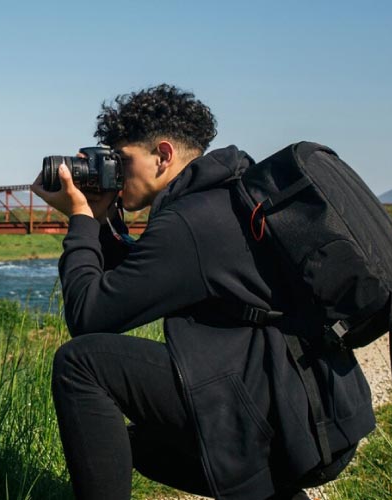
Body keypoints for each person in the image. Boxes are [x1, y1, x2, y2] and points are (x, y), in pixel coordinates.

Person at [31, 84, 374, 500]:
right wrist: (102, 221)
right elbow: (139, 281)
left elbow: (89, 317)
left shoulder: (190, 223)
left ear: (163, 154)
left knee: (81, 364)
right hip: (320, 414)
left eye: (123, 162)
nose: (116, 175)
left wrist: (81, 219)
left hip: (294, 423)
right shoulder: (226, 195)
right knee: (138, 445)